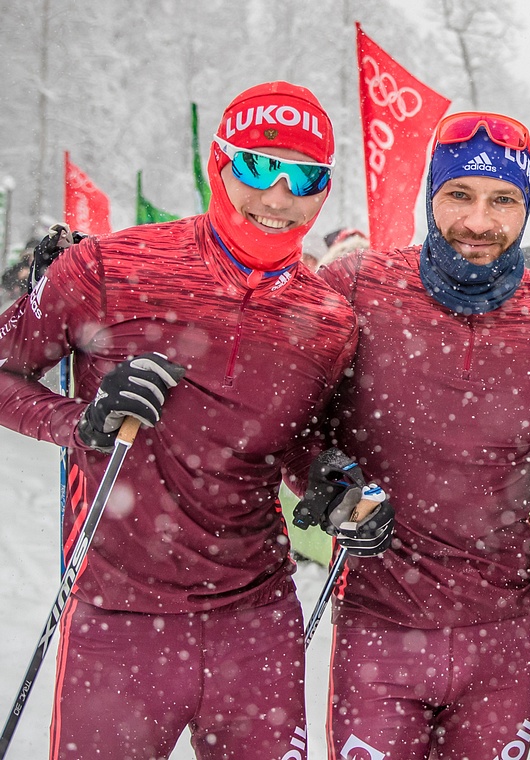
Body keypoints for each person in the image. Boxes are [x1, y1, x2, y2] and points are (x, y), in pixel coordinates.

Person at [0, 81, 362, 759]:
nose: (279, 197)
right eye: (256, 167)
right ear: (217, 166)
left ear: (324, 190)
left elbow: (298, 450)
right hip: (119, 618)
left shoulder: (330, 320)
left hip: (257, 624)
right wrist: (81, 422)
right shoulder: (111, 266)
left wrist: (330, 481)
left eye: (305, 177)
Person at [292, 111, 530, 760]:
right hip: (381, 627)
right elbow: (284, 415)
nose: (479, 223)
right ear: (431, 197)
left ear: (525, 208)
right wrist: (329, 480)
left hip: (500, 642)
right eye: (460, 196)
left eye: (503, 200)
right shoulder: (359, 285)